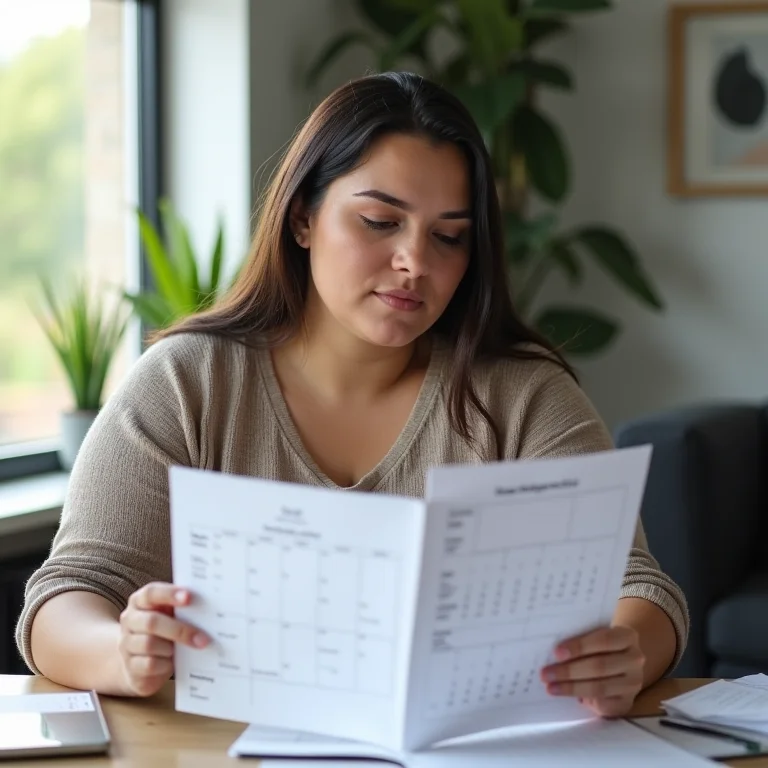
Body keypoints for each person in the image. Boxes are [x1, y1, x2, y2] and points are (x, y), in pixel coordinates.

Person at [16, 72, 688, 718]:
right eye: (378, 221)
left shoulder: (524, 395)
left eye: (450, 237)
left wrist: (629, 651)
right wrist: (122, 652)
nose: (415, 263)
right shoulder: (186, 382)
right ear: (303, 216)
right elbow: (65, 596)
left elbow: (639, 585)